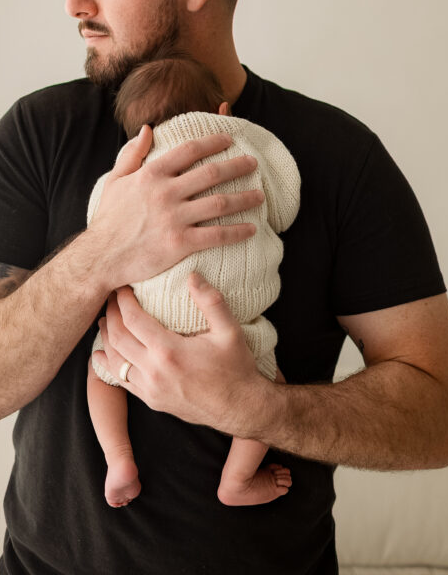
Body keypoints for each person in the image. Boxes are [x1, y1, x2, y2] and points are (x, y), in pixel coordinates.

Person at [0, 0, 448, 575]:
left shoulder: (337, 156)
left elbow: (437, 420)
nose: (75, 0)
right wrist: (107, 248)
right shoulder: (40, 133)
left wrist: (257, 406)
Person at [86, 53, 299, 508]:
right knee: (271, 392)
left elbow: (97, 230)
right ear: (223, 111)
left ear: (136, 135)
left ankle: (119, 459)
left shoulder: (128, 169)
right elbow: (285, 207)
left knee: (103, 368)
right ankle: (236, 481)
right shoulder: (243, 143)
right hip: (234, 328)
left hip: (147, 317)